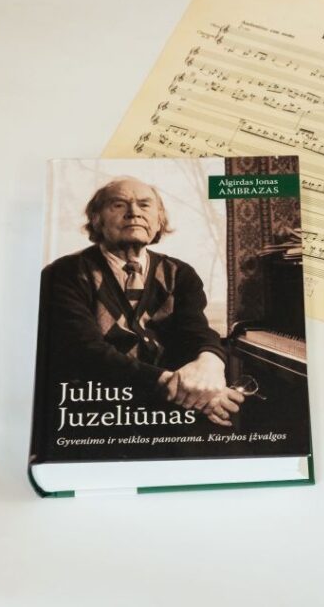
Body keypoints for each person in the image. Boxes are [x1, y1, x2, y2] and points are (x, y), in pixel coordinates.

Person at [38, 177, 244, 426]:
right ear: (97, 219)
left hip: (172, 409)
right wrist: (176, 386)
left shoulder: (180, 274)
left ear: (159, 220)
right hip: (97, 408)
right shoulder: (64, 273)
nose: (134, 212)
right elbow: (85, 351)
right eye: (118, 205)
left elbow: (196, 332)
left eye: (144, 205)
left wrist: (210, 364)